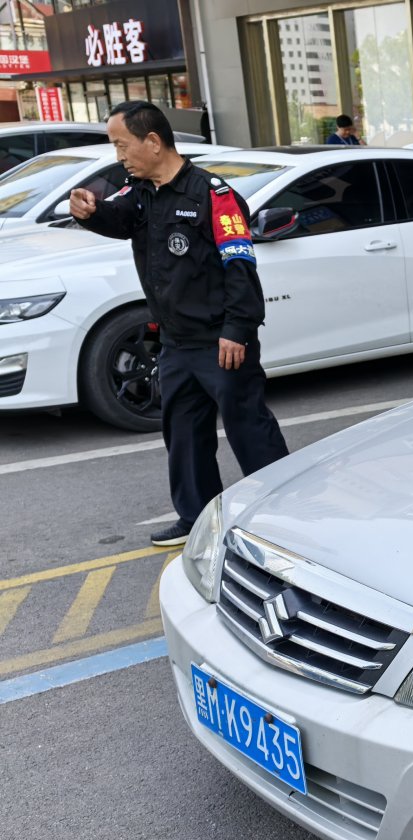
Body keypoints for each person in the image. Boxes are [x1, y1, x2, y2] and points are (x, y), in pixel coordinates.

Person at [69, 100, 288, 547]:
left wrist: (237, 330)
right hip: (175, 342)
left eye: (122, 145)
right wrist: (89, 212)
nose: (119, 156)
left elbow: (240, 268)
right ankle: (196, 517)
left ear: (153, 141)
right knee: (184, 435)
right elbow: (118, 219)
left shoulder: (214, 196)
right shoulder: (141, 191)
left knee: (248, 428)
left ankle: (282, 513)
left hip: (220, 342)